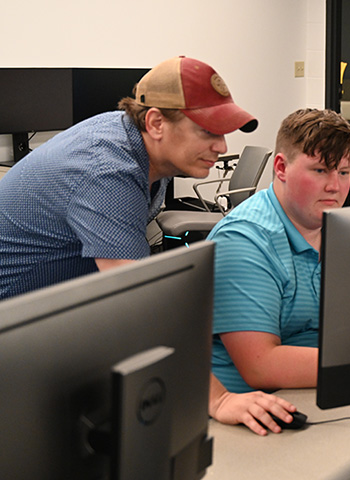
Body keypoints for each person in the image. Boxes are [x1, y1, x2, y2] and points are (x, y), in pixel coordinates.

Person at [0, 56, 296, 435]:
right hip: (17, 332)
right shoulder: (106, 171)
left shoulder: (135, 144)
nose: (222, 146)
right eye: (208, 131)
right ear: (156, 123)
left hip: (54, 316)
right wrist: (218, 399)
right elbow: (139, 306)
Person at [209, 108, 350, 394]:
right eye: (320, 171)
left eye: (344, 172)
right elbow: (261, 365)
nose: (335, 187)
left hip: (315, 393)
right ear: (281, 168)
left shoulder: (338, 232)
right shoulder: (244, 241)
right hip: (255, 410)